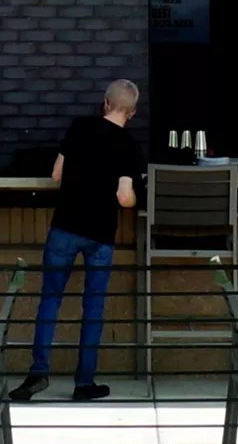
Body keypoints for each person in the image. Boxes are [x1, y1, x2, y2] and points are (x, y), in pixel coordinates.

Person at [12, 78, 142, 402]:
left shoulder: (80, 127)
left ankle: (38, 373)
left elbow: (57, 174)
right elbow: (124, 196)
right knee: (93, 307)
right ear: (133, 112)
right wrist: (134, 198)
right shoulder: (129, 146)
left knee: (50, 299)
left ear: (105, 103)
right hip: (100, 235)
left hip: (65, 227)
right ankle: (84, 383)